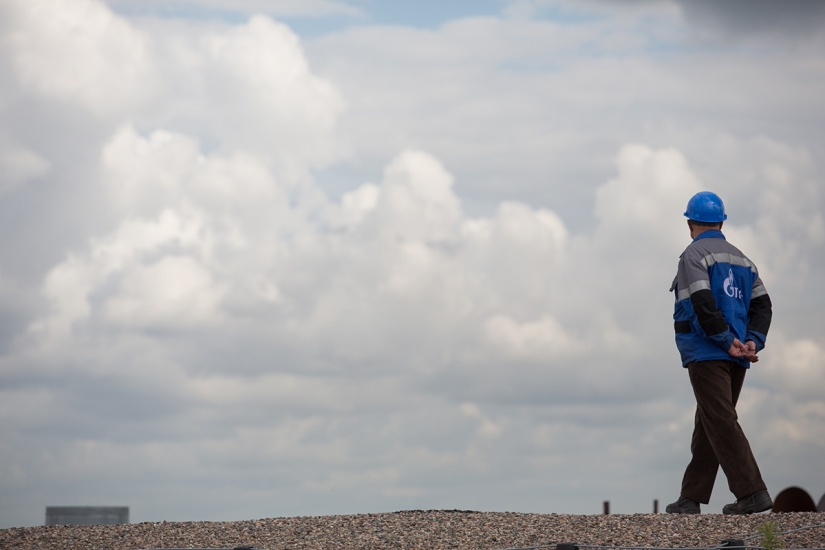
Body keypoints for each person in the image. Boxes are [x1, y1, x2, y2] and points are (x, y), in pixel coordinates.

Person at [666, 191, 773, 515]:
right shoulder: (742, 259)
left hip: (708, 351)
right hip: (738, 353)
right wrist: (752, 340)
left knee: (720, 420)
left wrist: (725, 341)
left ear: (689, 224)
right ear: (721, 222)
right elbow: (763, 305)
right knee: (710, 420)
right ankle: (691, 497)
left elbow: (701, 303)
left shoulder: (693, 256)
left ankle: (752, 492)